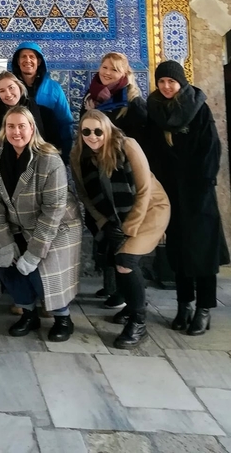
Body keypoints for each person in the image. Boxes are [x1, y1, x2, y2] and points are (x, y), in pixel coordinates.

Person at [70, 110, 170, 348]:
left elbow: (145, 190)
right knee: (118, 259)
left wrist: (128, 227)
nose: (92, 136)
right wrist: (105, 223)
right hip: (113, 216)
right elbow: (85, 195)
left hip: (149, 209)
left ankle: (138, 322)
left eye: (98, 131)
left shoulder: (127, 146)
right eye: (86, 131)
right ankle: (132, 304)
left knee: (125, 260)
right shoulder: (79, 155)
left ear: (108, 130)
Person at [0, 106, 82, 342]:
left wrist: (35, 252)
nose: (16, 132)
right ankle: (28, 313)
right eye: (11, 126)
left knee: (42, 271)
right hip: (17, 224)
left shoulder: (49, 159)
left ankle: (63, 318)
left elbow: (53, 210)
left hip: (58, 226)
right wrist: (5, 242)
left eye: (21, 126)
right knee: (6, 266)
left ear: (32, 128)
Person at [146, 61, 230, 335]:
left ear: (181, 82)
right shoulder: (155, 109)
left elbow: (210, 148)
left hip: (198, 193)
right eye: (162, 82)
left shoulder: (197, 107)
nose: (167, 86)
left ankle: (204, 309)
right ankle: (185, 306)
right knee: (179, 251)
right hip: (171, 192)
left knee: (202, 252)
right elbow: (152, 149)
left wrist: (202, 183)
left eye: (171, 82)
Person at [80, 52, 148, 307]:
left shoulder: (133, 104)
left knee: (121, 237)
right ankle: (112, 288)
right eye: (105, 67)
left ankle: (128, 299)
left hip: (121, 182)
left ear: (125, 74)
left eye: (114, 69)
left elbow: (139, 147)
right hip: (96, 177)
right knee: (105, 231)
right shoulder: (91, 99)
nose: (107, 72)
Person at [10, 43, 73, 160]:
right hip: (16, 153)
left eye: (31, 56)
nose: (27, 60)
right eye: (23, 56)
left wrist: (65, 153)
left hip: (47, 152)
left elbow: (65, 122)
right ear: (18, 62)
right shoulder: (10, 89)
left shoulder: (54, 88)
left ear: (39, 62)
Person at [0, 71, 59, 149]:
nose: (8, 94)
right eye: (2, 91)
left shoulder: (42, 112)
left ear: (20, 87)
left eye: (11, 88)